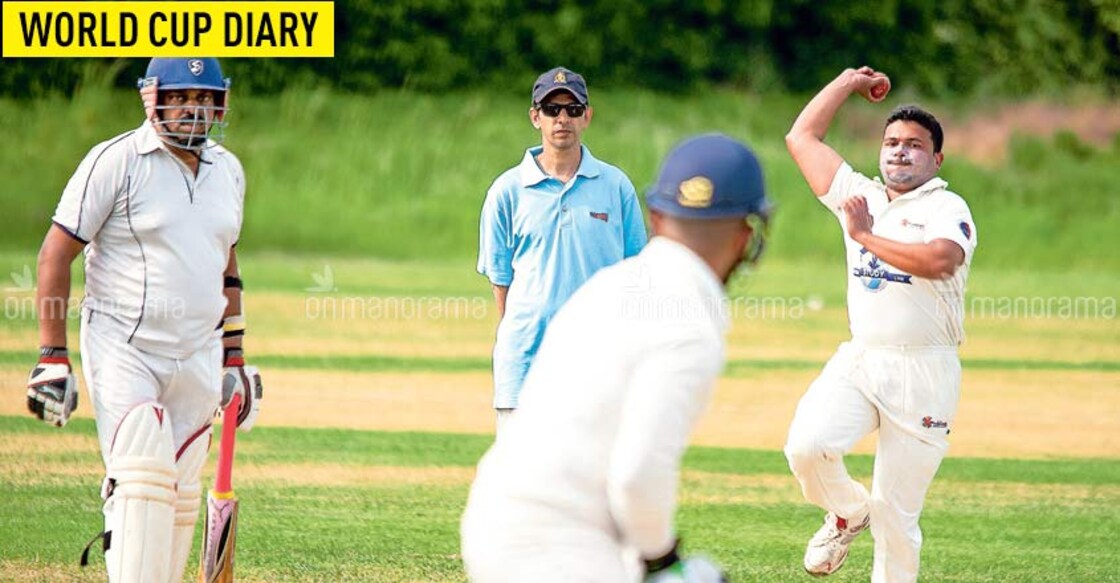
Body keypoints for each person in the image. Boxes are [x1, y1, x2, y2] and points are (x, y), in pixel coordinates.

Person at [462, 134, 773, 582]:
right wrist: (664, 561)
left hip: (496, 517)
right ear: (749, 235)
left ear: (657, 218)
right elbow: (637, 474)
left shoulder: (608, 285)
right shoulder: (690, 326)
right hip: (558, 546)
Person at [26, 57, 262, 583]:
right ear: (151, 98)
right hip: (124, 344)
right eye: (180, 97)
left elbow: (226, 265)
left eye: (204, 100)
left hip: (199, 351)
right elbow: (54, 255)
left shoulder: (229, 170)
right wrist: (52, 357)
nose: (193, 111)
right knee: (141, 479)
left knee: (178, 494)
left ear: (220, 103)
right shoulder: (116, 160)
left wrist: (236, 356)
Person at [782, 66, 978, 582]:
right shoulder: (859, 194)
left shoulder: (946, 206)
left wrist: (866, 238)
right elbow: (801, 138)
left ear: (936, 159)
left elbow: (940, 261)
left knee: (897, 519)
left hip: (925, 373)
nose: (899, 151)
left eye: (914, 145)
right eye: (892, 142)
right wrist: (847, 83)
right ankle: (848, 510)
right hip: (863, 358)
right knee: (807, 444)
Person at [477, 66, 647, 433]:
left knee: (594, 482)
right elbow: (500, 280)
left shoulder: (616, 186)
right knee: (520, 481)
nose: (562, 119)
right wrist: (518, 338)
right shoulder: (507, 191)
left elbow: (635, 273)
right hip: (524, 363)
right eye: (552, 110)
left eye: (572, 109)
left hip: (599, 361)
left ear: (587, 116)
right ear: (535, 117)